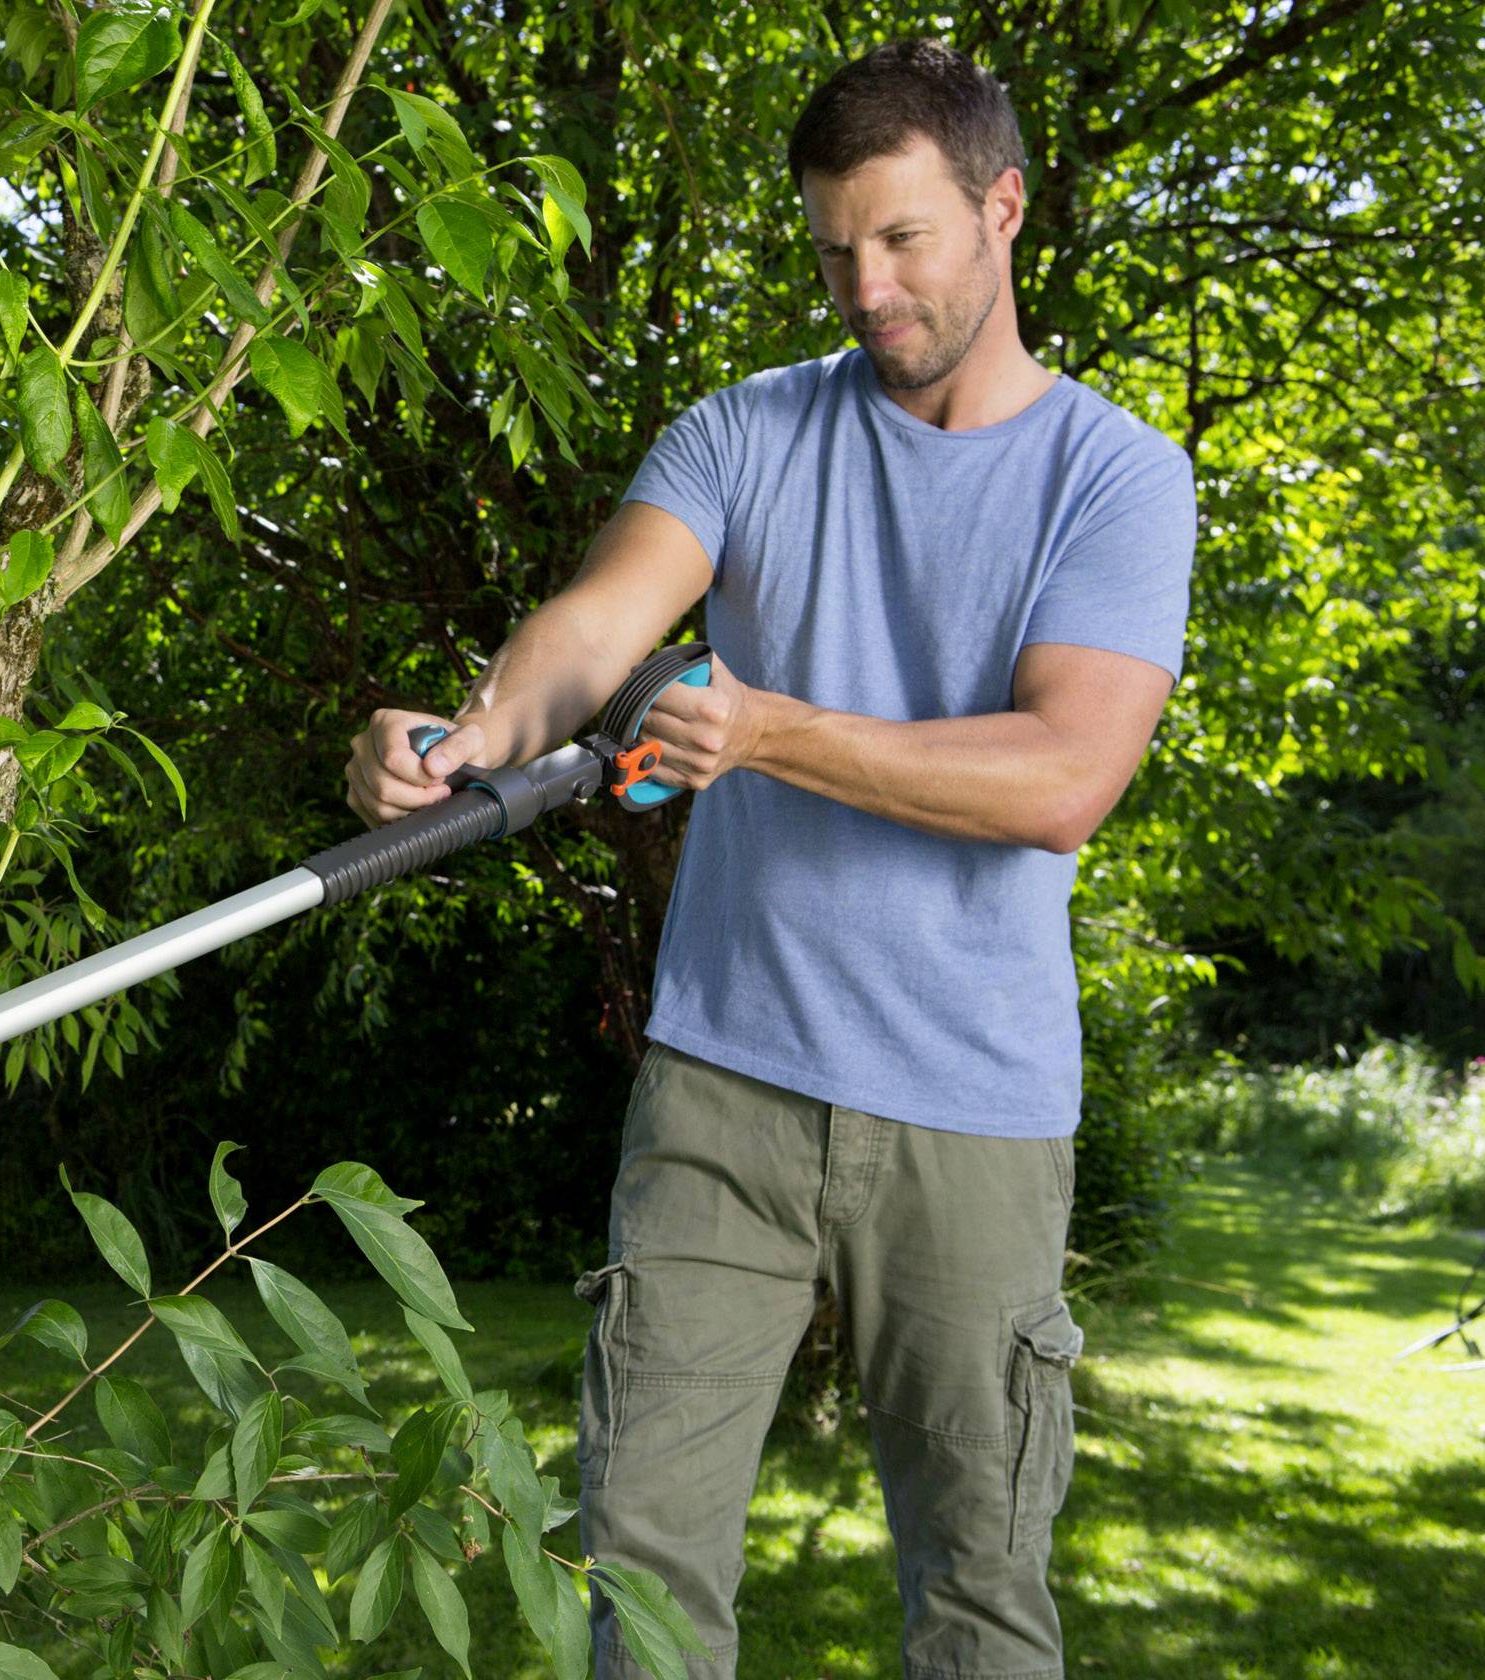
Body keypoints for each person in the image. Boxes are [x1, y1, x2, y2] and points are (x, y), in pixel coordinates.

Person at [343, 39, 1196, 1680]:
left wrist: (774, 732)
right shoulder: (748, 433)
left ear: (1003, 210)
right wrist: (463, 738)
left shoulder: (1117, 478)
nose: (862, 288)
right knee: (642, 1573)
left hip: (975, 1111)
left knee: (979, 1593)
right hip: (724, 1082)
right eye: (829, 249)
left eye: (902, 241)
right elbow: (594, 632)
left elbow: (1063, 776)